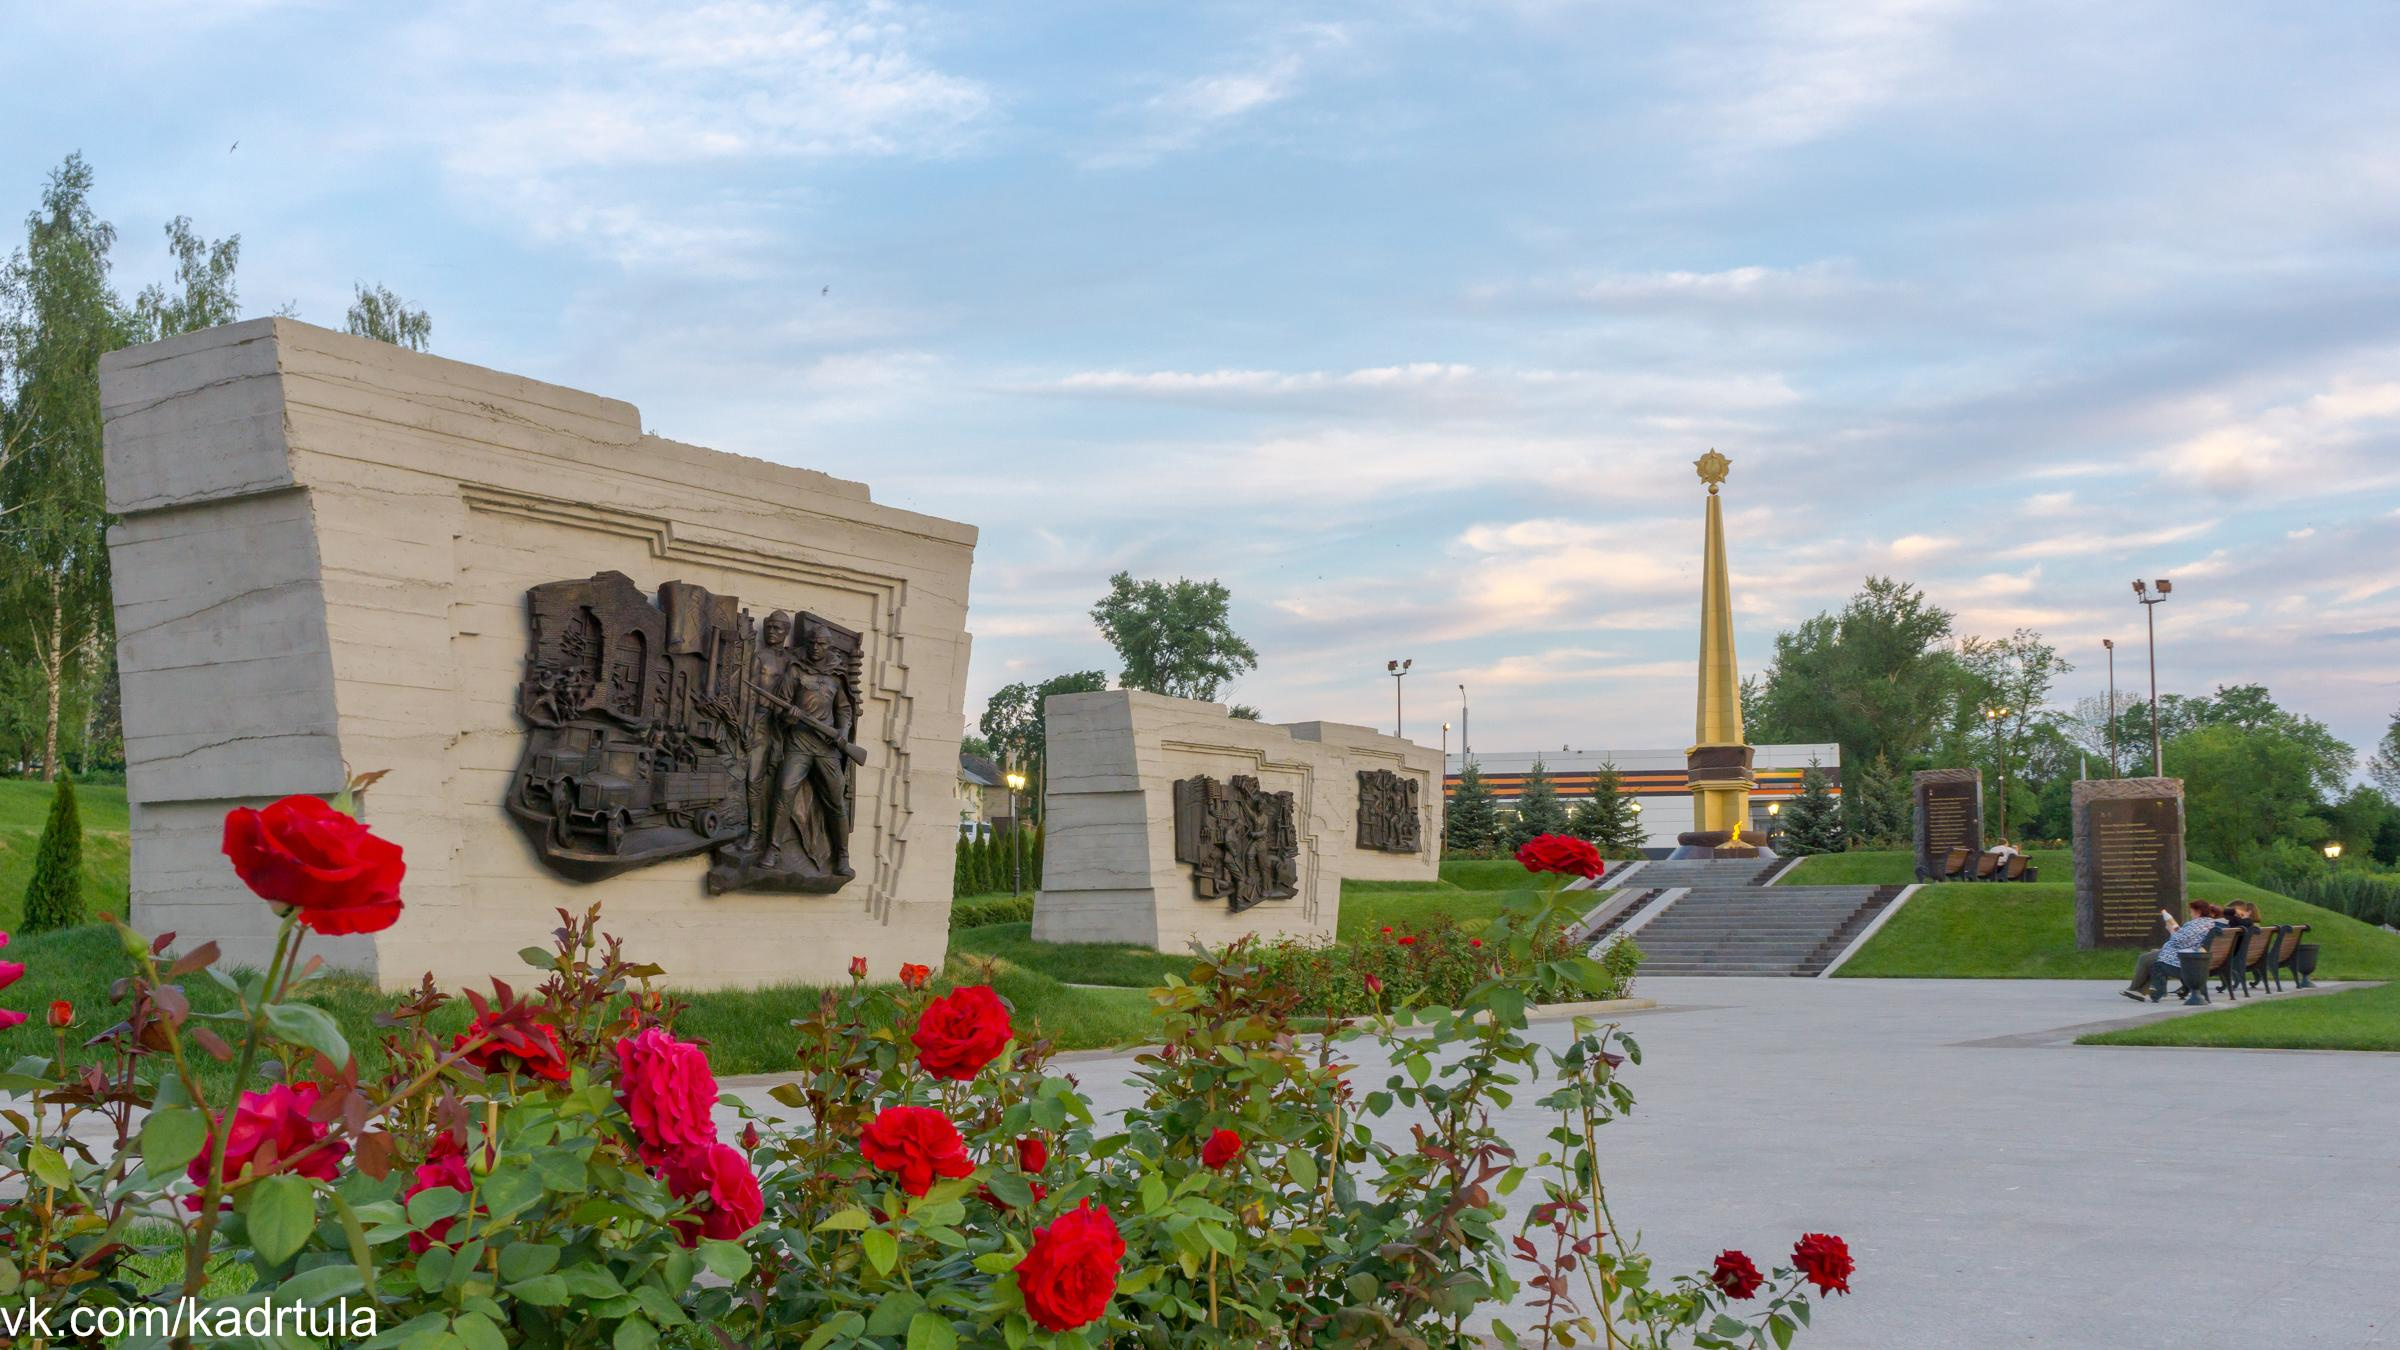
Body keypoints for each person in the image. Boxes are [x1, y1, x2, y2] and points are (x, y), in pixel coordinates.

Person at [2120, 901, 2224, 1005]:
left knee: (2145, 958)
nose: (2190, 914)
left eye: (2191, 912)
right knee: (2150, 958)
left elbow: (2177, 941)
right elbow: (2187, 939)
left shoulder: (2197, 925)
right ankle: (2140, 991)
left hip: (2183, 958)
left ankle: (2135, 989)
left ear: (2198, 912)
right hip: (2192, 955)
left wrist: (2171, 930)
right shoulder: (2208, 923)